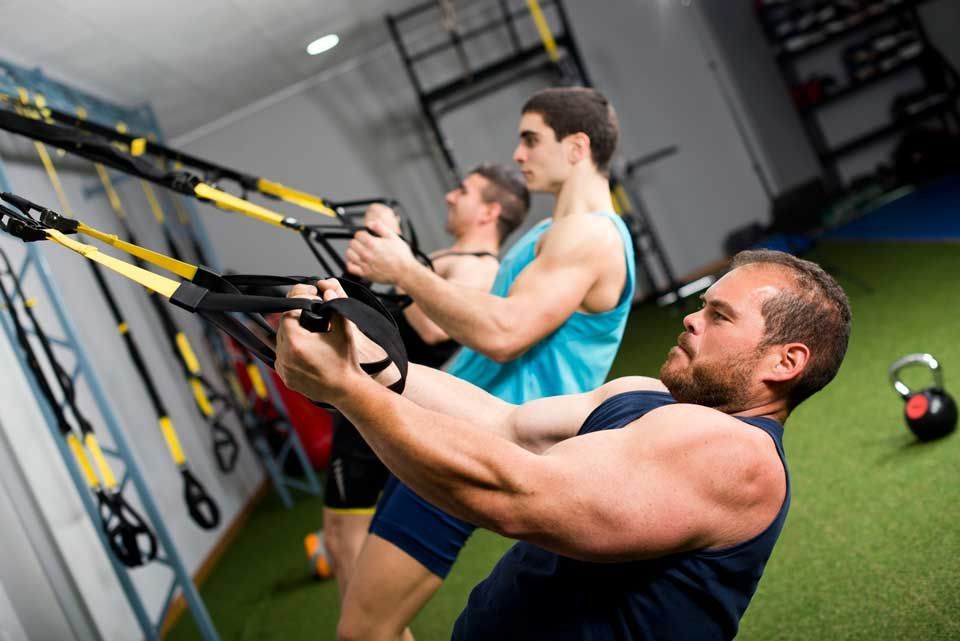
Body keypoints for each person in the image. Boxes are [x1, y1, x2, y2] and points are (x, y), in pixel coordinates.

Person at [274, 248, 852, 641]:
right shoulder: (645, 395)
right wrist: (369, 362)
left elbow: (513, 494)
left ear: (786, 362)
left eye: (718, 316)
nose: (691, 319)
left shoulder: (740, 457)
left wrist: (348, 391)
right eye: (702, 305)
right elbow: (501, 423)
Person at [338, 86, 635, 640]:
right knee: (372, 625)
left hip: (474, 448)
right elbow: (458, 320)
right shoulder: (550, 232)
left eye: (530, 139)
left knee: (363, 631)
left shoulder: (591, 236)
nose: (518, 154)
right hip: (445, 429)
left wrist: (404, 270)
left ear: (576, 147)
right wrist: (400, 261)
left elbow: (505, 334)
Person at [306, 163, 530, 602]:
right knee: (339, 536)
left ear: (488, 212)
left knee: (346, 542)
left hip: (385, 404)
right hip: (360, 402)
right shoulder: (444, 259)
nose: (449, 196)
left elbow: (430, 328)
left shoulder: (479, 269)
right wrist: (378, 242)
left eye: (463, 191)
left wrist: (392, 252)